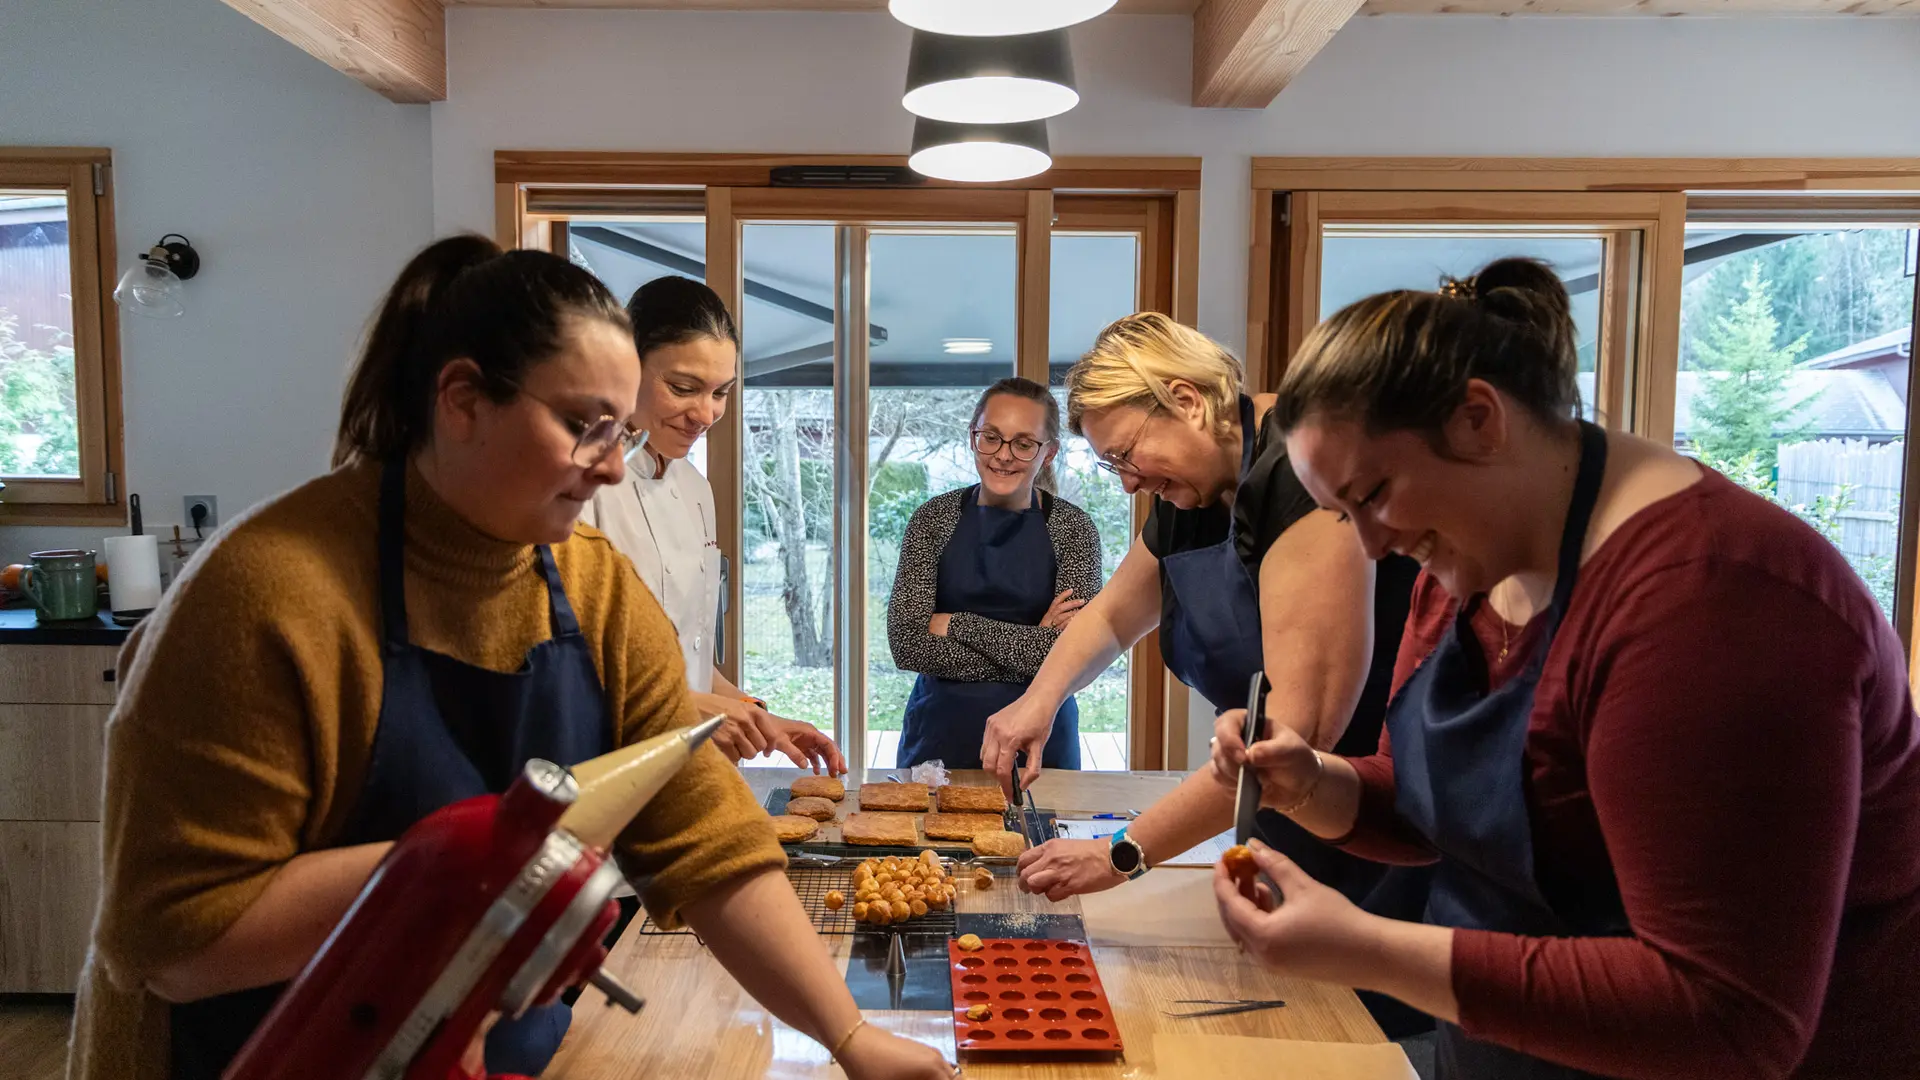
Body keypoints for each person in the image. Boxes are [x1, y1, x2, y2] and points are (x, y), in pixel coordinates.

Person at [69, 236, 952, 1080]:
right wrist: (460, 869)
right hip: (263, 1051)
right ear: (462, 401)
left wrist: (850, 1036)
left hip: (491, 1045)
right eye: (584, 425)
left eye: (621, 431)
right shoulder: (266, 594)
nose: (612, 469)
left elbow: (708, 842)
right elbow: (171, 939)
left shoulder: (594, 588)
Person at [1211, 258, 1920, 1078]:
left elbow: (1727, 1016)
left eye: (1372, 495)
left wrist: (1365, 948)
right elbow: (1433, 807)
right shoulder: (1469, 566)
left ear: (1479, 420)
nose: (1372, 545)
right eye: (1344, 515)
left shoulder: (1713, 598)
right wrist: (1311, 781)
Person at [979, 316, 1421, 934]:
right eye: (1111, 465)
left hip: (1376, 826)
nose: (1129, 483)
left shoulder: (1303, 469)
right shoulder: (1193, 489)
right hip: (1273, 812)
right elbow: (1112, 616)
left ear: (1186, 401)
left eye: (1125, 454)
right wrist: (1039, 700)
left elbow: (1292, 737)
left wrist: (1119, 853)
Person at [582, 275, 845, 775]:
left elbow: (693, 651)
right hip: (607, 760)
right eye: (683, 388)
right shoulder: (583, 487)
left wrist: (754, 714)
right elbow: (576, 659)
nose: (705, 414)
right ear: (625, 365)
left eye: (721, 392)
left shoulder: (697, 490)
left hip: (685, 764)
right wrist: (691, 708)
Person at [887, 377, 1104, 770]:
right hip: (940, 737)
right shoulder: (932, 520)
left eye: (1024, 444)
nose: (1003, 455)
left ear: (1049, 453)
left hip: (1040, 743)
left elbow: (1076, 655)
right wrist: (1036, 644)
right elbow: (907, 645)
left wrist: (955, 624)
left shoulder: (1073, 530)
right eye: (991, 437)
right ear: (973, 437)